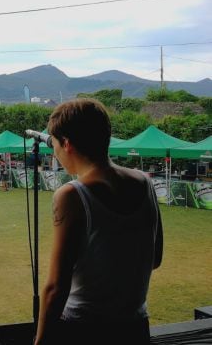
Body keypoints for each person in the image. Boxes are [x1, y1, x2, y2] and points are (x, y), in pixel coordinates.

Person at [35, 99, 163, 345]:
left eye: (55, 145)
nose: (56, 153)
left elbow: (55, 288)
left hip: (85, 330)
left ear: (67, 144)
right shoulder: (144, 183)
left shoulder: (72, 195)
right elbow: (155, 258)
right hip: (135, 329)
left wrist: (39, 342)